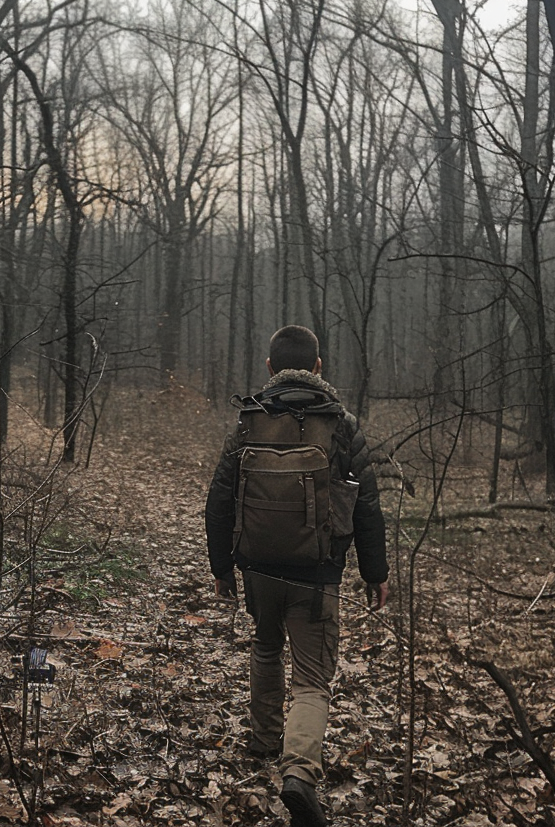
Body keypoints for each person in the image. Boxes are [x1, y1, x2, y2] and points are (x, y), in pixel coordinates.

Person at [205, 325, 389, 827]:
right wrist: (376, 574)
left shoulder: (249, 421)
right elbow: (367, 507)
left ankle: (264, 742)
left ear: (270, 368)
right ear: (319, 367)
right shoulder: (343, 426)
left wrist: (222, 566)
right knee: (312, 679)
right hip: (317, 572)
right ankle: (299, 773)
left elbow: (220, 498)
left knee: (266, 646)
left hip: (258, 565)